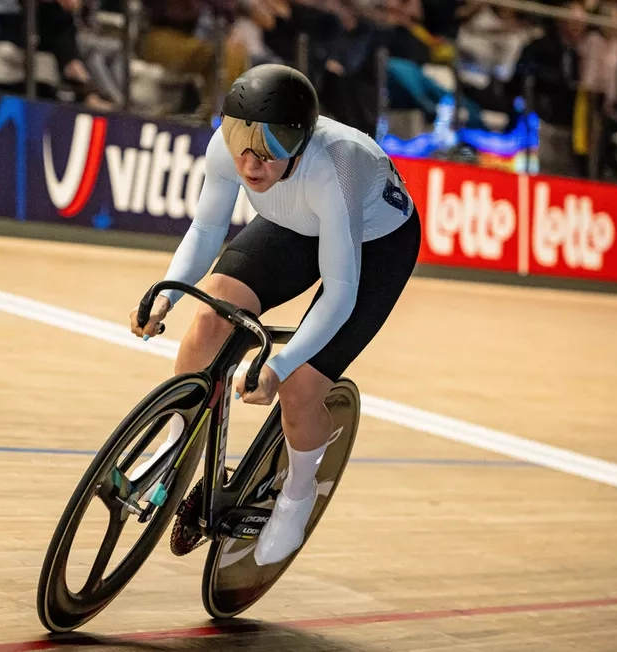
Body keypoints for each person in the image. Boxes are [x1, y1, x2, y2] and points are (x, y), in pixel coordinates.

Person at [128, 63, 422, 566]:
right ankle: (177, 448)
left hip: (378, 245)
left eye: (269, 151)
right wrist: (165, 297)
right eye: (242, 146)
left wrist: (279, 366)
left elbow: (340, 294)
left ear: (300, 142)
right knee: (212, 316)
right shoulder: (230, 145)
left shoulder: (335, 166)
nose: (250, 164)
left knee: (300, 388)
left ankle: (297, 496)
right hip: (295, 224)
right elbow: (205, 230)